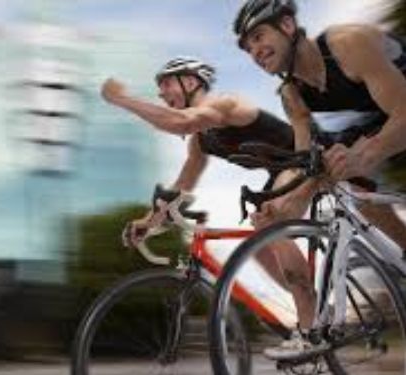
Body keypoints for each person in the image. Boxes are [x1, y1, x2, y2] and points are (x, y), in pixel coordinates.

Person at [233, 0, 406, 360]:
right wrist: (280, 205)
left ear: (287, 25)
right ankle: (313, 326)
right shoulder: (291, 94)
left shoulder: (349, 44)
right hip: (378, 118)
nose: (255, 51)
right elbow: (304, 162)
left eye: (258, 36)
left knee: (352, 158)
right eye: (247, 47)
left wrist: (366, 154)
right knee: (328, 168)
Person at [101, 56, 317, 340]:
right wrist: (149, 223)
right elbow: (182, 186)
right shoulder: (201, 141)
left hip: (309, 157)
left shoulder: (225, 104)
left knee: (270, 220)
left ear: (191, 82)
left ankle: (309, 329)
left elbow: (180, 122)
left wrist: (123, 99)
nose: (161, 93)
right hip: (280, 173)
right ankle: (312, 303)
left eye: (166, 84)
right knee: (260, 239)